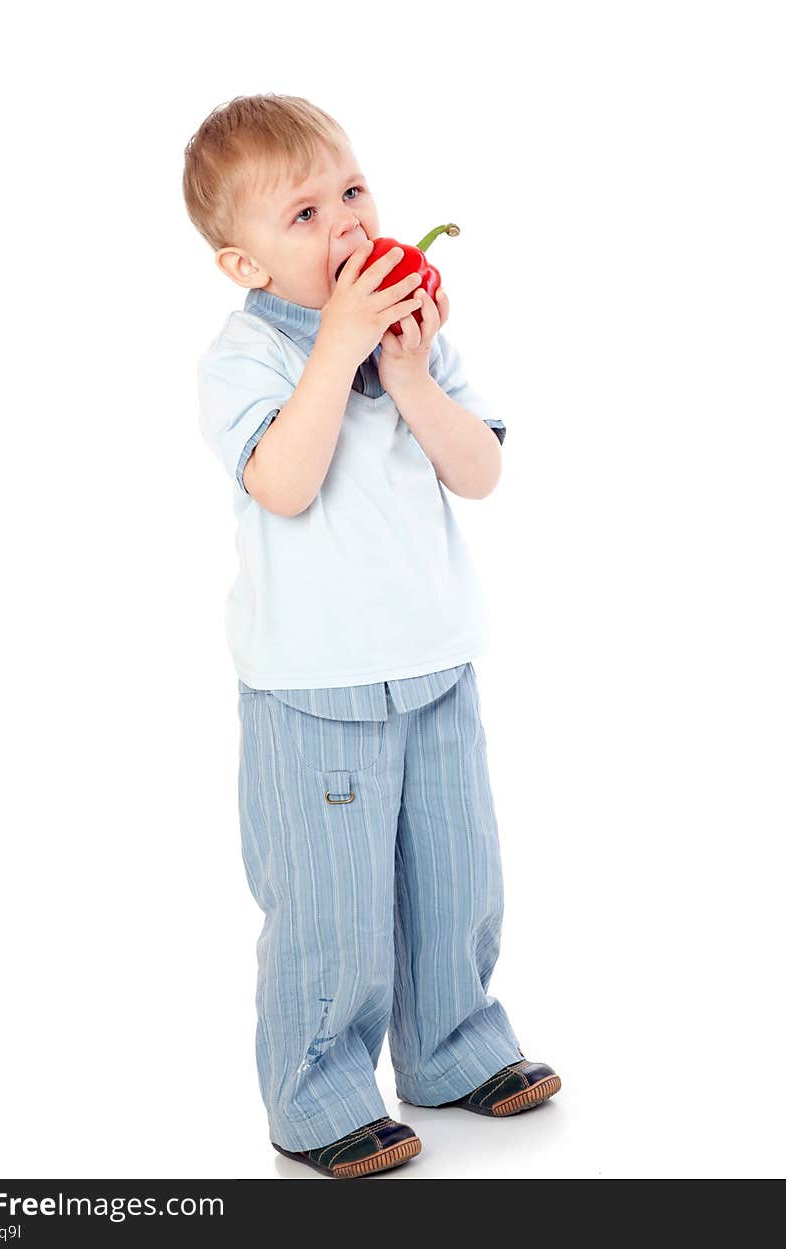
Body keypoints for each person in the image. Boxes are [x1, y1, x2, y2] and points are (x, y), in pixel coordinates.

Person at [182, 93, 559, 1180]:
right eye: (305, 214)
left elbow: (479, 471)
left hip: (435, 659)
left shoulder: (415, 335)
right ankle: (318, 1090)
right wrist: (334, 348)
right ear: (243, 266)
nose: (347, 223)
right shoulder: (242, 358)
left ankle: (451, 1047)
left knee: (455, 877)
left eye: (352, 190)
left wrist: (400, 368)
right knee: (332, 908)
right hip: (315, 687)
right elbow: (285, 486)